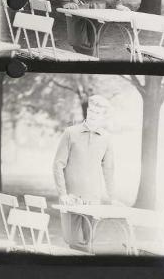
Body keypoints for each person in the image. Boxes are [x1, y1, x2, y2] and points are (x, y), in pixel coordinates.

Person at [52, 94, 118, 250]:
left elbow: (109, 170)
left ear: (103, 116)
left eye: (98, 112)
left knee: (89, 243)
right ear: (88, 110)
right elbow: (57, 165)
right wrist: (63, 194)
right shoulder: (70, 133)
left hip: (93, 199)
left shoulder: (106, 138)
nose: (94, 114)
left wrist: (112, 197)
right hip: (71, 198)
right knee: (72, 240)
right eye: (92, 110)